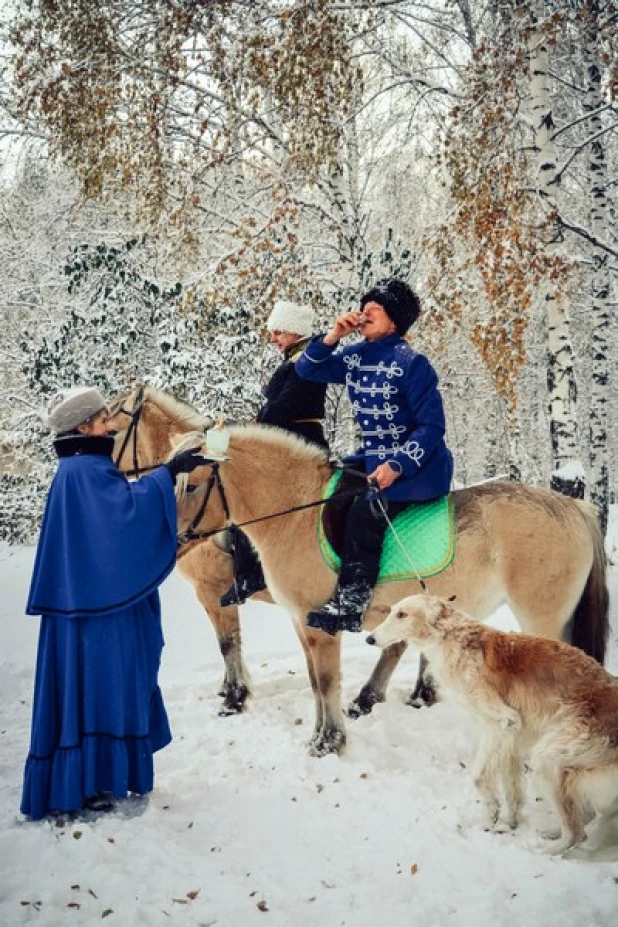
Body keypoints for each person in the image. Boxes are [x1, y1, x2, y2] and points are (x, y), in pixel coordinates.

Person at [21, 385, 206, 820]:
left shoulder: (77, 469)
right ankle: (93, 781)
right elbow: (122, 521)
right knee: (105, 688)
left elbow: (115, 512)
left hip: (83, 608)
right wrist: (168, 472)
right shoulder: (86, 470)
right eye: (103, 420)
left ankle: (86, 778)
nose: (110, 426)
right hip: (100, 614)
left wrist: (160, 476)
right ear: (84, 426)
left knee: (85, 692)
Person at [295, 278, 453, 635]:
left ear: (394, 321)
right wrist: (334, 334)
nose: (364, 315)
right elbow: (307, 370)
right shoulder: (355, 356)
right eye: (363, 308)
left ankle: (350, 605)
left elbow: (431, 427)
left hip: (417, 466)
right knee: (333, 487)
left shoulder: (413, 363)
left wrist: (396, 466)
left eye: (374, 310)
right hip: (370, 456)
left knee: (366, 513)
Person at [220, 299, 329, 607]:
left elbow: (284, 406)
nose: (273, 338)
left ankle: (249, 574)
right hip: (289, 439)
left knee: (245, 497)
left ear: (295, 331)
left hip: (297, 442)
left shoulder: (305, 363)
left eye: (278, 332)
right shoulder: (296, 359)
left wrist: (256, 426)